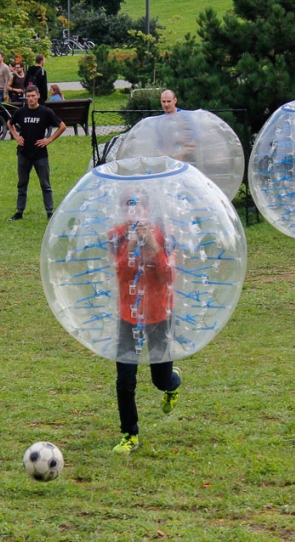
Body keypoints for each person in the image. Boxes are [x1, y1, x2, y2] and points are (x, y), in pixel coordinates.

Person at [108, 187, 181, 454]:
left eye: (139, 206)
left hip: (159, 315)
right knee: (125, 380)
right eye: (128, 205)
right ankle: (130, 433)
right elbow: (121, 273)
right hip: (129, 318)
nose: (133, 211)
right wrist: (130, 243)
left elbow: (169, 277)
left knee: (159, 379)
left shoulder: (165, 234)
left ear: (148, 210)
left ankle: (172, 384)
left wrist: (151, 245)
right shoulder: (116, 236)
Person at [6, 85, 66, 221]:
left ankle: (50, 212)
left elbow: (62, 126)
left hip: (40, 154)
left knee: (45, 184)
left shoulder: (46, 112)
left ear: (38, 96)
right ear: (25, 97)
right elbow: (9, 123)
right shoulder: (21, 112)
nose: (31, 99)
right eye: (28, 96)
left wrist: (49, 140)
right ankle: (19, 212)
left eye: (33, 96)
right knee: (22, 184)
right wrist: (16, 136)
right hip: (23, 153)